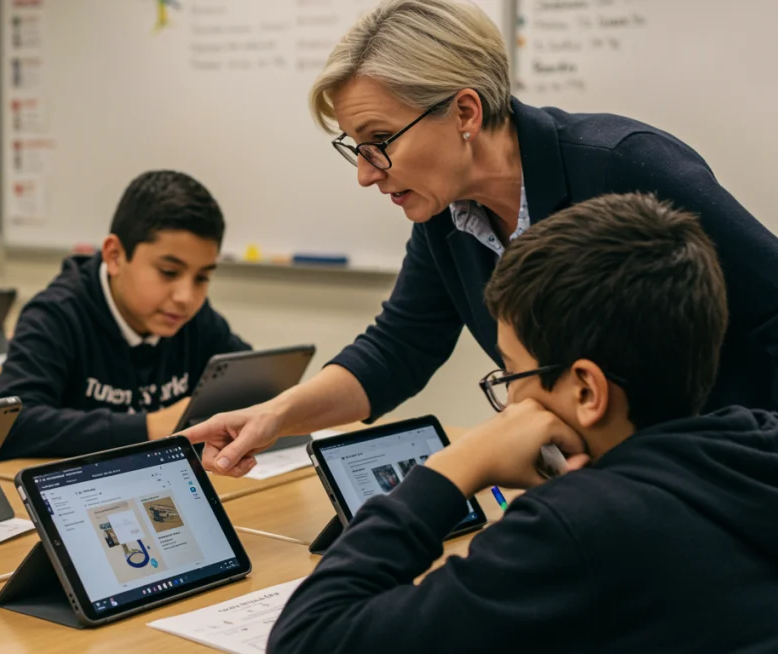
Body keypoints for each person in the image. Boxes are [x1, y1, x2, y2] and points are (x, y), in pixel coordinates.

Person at [185, 0, 778, 476]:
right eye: (354, 150)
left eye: (379, 141)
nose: (366, 173)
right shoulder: (447, 214)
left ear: (465, 112)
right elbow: (399, 348)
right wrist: (274, 415)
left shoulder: (623, 166)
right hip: (614, 486)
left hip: (723, 479)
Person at [268, 193, 778, 652]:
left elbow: (307, 637)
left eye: (512, 371)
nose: (511, 398)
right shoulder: (754, 445)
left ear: (586, 390)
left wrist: (452, 468)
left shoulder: (577, 528)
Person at [0, 170, 249, 459]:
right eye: (168, 272)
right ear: (114, 256)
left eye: (202, 278)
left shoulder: (195, 319)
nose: (186, 297)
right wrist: (149, 427)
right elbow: (9, 427)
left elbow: (255, 386)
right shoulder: (55, 316)